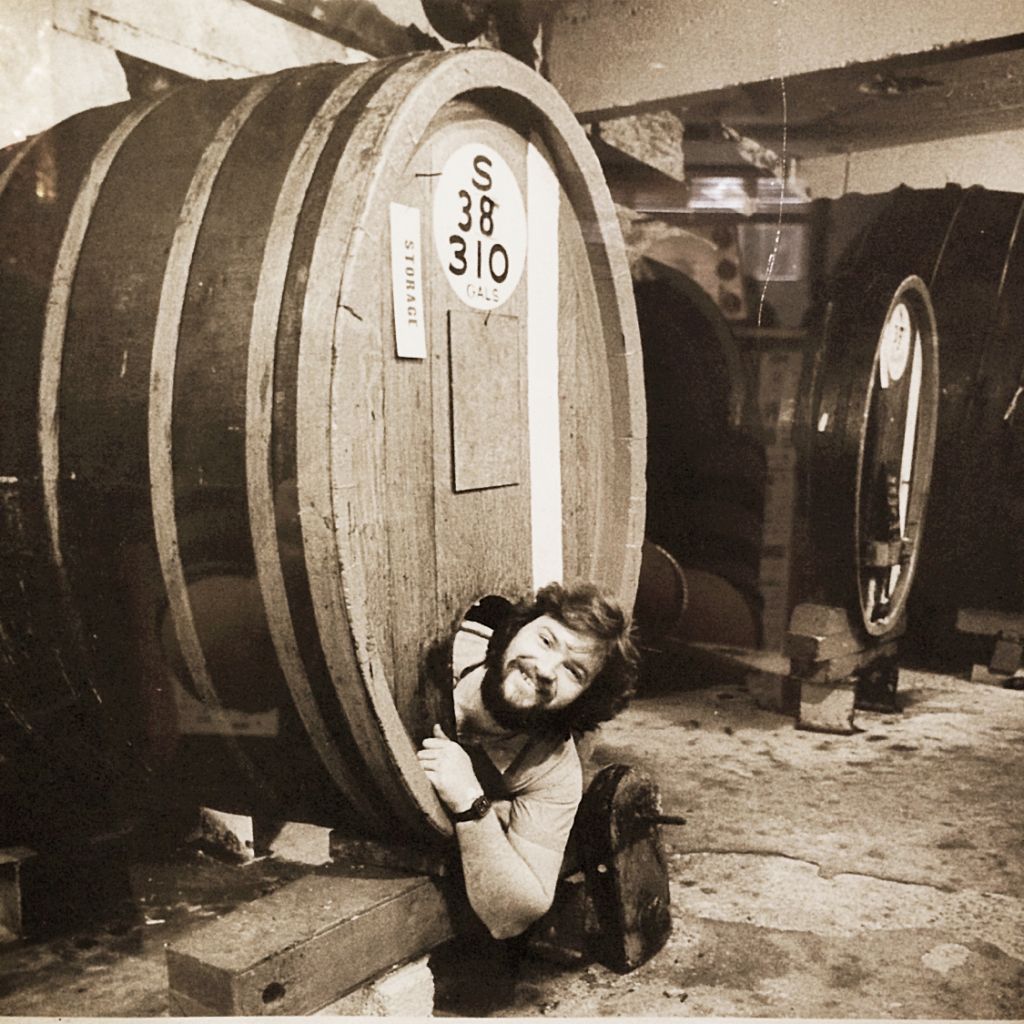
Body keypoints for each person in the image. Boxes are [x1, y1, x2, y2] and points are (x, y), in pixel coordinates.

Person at [417, 580, 638, 940]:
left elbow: (514, 915)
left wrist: (471, 802)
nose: (547, 669)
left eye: (574, 672)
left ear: (584, 698)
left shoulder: (552, 768)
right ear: (515, 629)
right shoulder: (454, 647)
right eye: (546, 640)